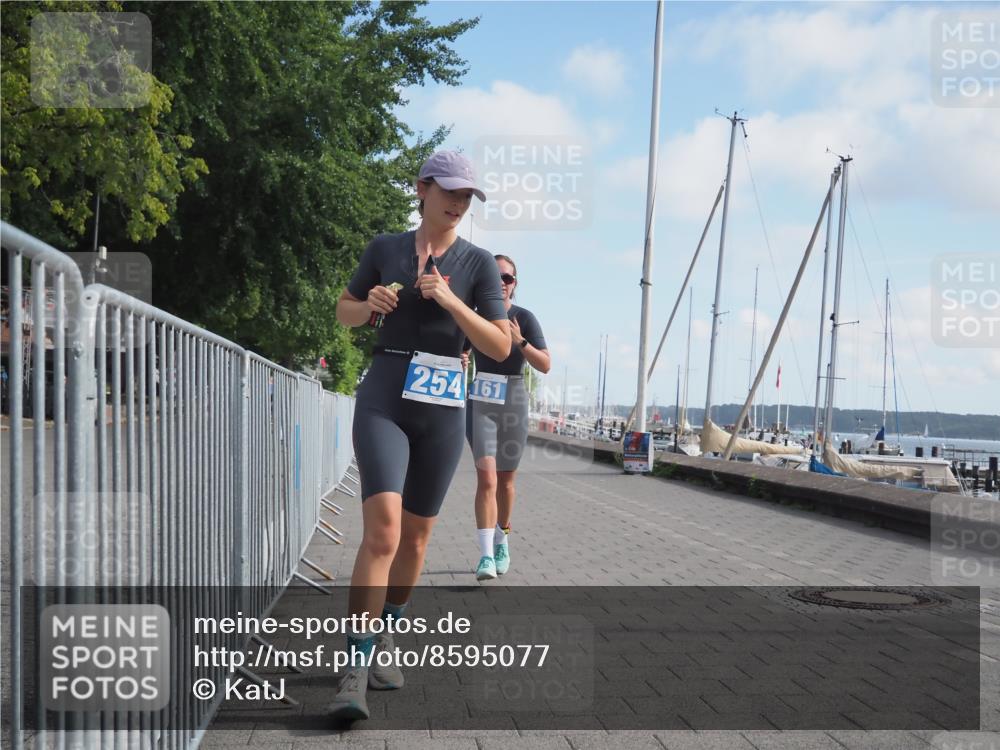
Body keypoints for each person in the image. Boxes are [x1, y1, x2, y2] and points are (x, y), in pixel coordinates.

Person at [329, 150, 511, 719]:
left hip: (440, 406)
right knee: (381, 532)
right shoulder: (384, 248)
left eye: (467, 197)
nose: (458, 204)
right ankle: (354, 667)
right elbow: (344, 311)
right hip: (384, 391)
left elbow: (501, 347)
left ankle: (386, 634)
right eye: (450, 192)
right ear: (423, 189)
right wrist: (371, 304)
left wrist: (452, 299)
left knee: (414, 542)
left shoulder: (480, 264)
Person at [463, 255, 550, 580]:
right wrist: (460, 356)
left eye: (508, 278)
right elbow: (458, 348)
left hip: (513, 399)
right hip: (482, 398)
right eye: (495, 275)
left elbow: (545, 364)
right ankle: (486, 556)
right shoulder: (474, 316)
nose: (501, 281)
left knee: (506, 481)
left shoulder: (524, 318)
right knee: (486, 478)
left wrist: (521, 342)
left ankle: (502, 539)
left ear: (515, 284)